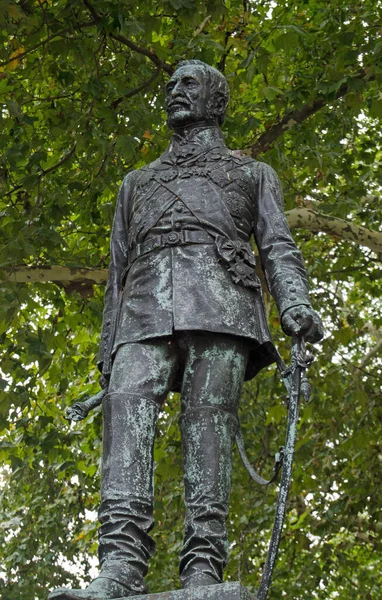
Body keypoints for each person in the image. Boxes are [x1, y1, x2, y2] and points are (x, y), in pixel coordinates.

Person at [49, 60, 323, 600]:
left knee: (208, 427)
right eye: (171, 84)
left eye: (188, 84)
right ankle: (120, 566)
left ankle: (203, 569)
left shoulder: (252, 174)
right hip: (143, 308)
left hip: (222, 304)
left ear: (217, 102)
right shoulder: (137, 182)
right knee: (125, 417)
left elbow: (277, 246)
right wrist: (108, 352)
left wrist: (294, 303)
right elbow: (117, 272)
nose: (174, 91)